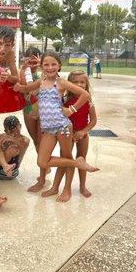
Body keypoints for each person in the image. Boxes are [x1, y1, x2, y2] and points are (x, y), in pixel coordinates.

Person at [13, 51, 99, 202]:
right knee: (42, 161)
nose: (50, 67)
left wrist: (71, 110)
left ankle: (66, 190)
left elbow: (85, 95)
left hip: (63, 126)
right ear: (41, 66)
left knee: (66, 155)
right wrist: (18, 75)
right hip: (48, 130)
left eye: (53, 64)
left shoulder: (61, 82)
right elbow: (25, 88)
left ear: (59, 66)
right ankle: (77, 163)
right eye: (46, 64)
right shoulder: (40, 82)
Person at [42, 70, 97, 201]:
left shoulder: (87, 100)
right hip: (68, 133)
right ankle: (55, 187)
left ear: (86, 84)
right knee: (65, 160)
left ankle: (82, 186)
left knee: (81, 158)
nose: (79, 84)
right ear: (69, 83)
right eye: (75, 82)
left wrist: (83, 131)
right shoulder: (65, 99)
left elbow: (94, 120)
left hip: (82, 134)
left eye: (82, 82)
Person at [19, 47, 47, 192]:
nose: (32, 62)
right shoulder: (24, 71)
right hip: (29, 110)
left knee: (42, 143)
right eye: (29, 59)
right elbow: (24, 87)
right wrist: (23, 69)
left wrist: (41, 64)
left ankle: (43, 170)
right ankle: (44, 165)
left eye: (35, 59)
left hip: (43, 112)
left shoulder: (45, 71)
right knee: (36, 141)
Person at [0, 116, 30, 180]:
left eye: (17, 130)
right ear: (5, 131)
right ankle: (5, 166)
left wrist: (11, 138)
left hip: (10, 174)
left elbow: (22, 144)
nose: (15, 134)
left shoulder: (25, 140)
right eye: (11, 132)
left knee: (12, 149)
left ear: (20, 126)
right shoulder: (1, 137)